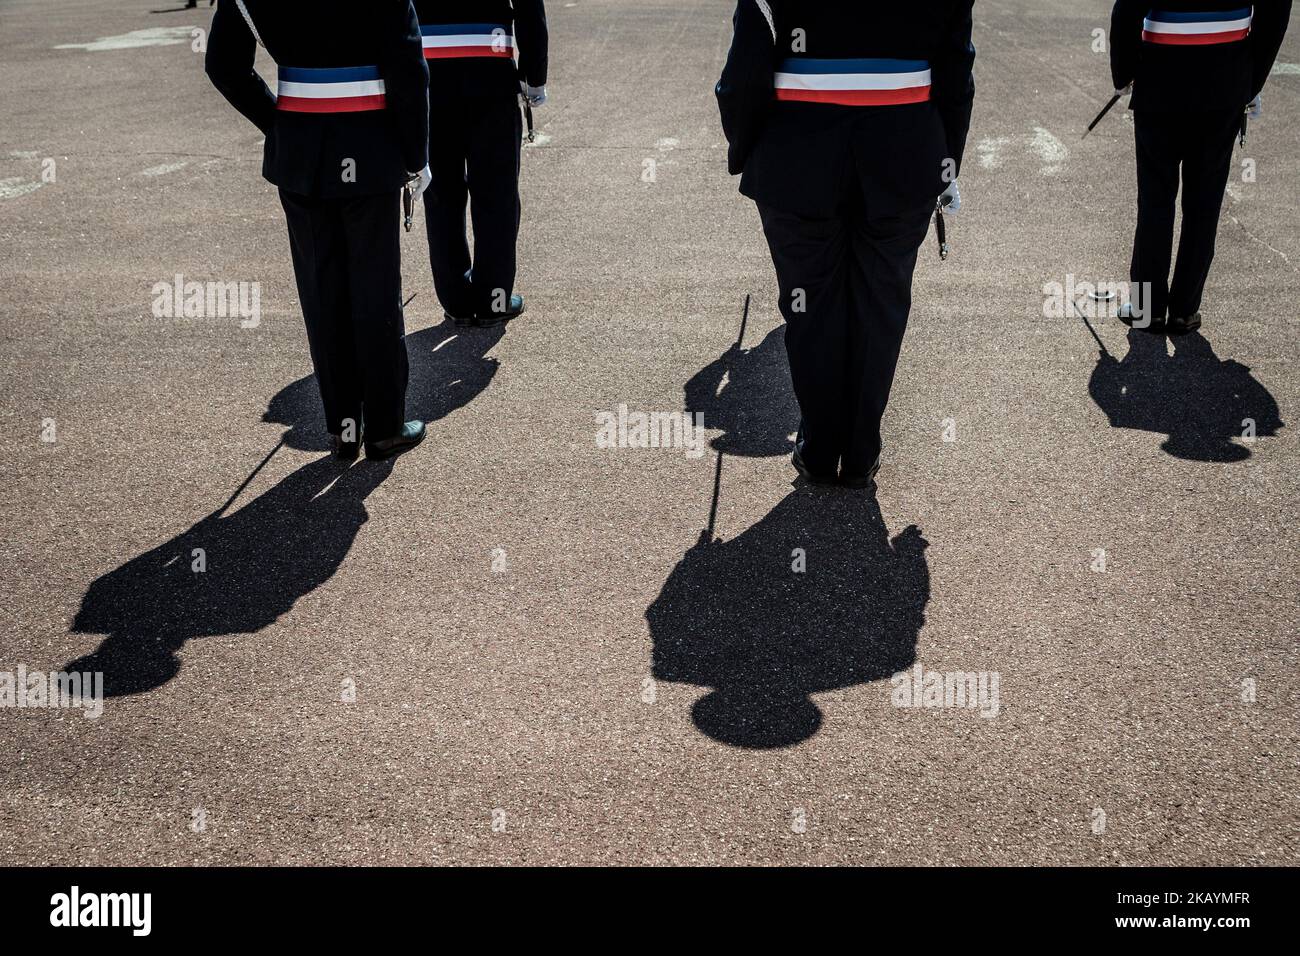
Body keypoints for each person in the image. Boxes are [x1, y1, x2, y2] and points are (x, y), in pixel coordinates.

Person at [716, 0, 975, 488]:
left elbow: (744, 75)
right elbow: (955, 76)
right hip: (903, 153)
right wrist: (947, 165)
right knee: (881, 303)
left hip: (797, 157)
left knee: (810, 305)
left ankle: (819, 447)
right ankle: (860, 451)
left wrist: (747, 147)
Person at [205, 0, 432, 460]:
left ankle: (344, 427)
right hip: (369, 148)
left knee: (322, 290)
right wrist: (415, 157)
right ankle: (385, 427)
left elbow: (224, 65)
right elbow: (408, 71)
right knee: (375, 288)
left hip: (302, 152)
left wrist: (280, 122)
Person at [1111, 1, 1292, 335]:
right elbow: (1276, 10)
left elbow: (1128, 8)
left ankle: (1146, 308)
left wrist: (1122, 74)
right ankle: (1184, 309)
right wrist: (1250, 81)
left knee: (1155, 200)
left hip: (1161, 80)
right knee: (1204, 202)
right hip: (1224, 81)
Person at [412, 0, 548, 326]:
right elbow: (529, 6)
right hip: (490, 71)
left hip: (428, 72)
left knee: (441, 193)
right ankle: (493, 299)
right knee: (496, 193)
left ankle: (456, 300)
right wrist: (534, 76)